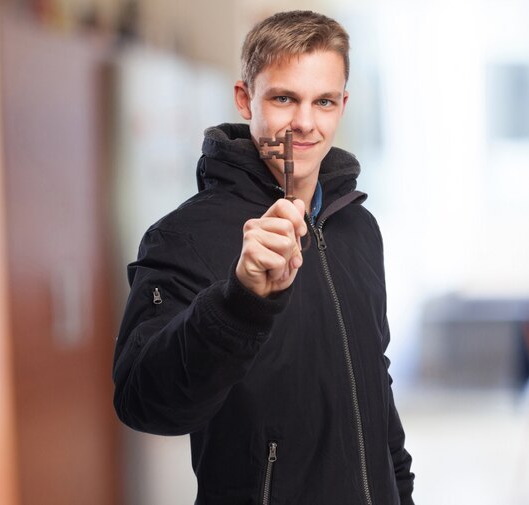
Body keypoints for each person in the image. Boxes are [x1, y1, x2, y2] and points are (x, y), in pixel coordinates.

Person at [113, 10, 415, 505]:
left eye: (323, 101)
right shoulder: (181, 237)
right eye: (283, 98)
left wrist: (400, 494)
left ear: (343, 104)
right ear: (243, 98)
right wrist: (240, 299)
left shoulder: (358, 228)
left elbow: (375, 386)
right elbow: (145, 402)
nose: (304, 122)